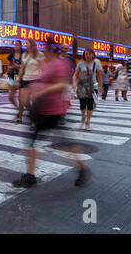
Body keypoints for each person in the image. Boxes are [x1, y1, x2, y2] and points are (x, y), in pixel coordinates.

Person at [12, 40, 89, 188]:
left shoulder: (60, 64)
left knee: (36, 142)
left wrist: (41, 90)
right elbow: (43, 81)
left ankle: (31, 176)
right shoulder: (48, 64)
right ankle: (82, 168)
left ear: (51, 49)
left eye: (46, 48)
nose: (44, 51)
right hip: (44, 109)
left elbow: (61, 85)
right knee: (41, 142)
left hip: (51, 110)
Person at [17, 39, 45, 131]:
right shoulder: (24, 55)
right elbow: (22, 68)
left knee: (35, 101)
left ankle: (34, 122)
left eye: (27, 43)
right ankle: (33, 114)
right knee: (24, 101)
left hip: (36, 80)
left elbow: (44, 67)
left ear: (32, 45)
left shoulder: (39, 55)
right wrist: (18, 79)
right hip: (25, 80)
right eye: (25, 43)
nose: (26, 45)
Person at [73, 48, 103, 131]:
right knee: (82, 105)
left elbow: (100, 75)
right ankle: (83, 116)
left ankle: (88, 122)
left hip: (93, 87)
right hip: (82, 87)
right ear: (84, 55)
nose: (88, 55)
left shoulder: (96, 64)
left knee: (90, 105)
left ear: (93, 54)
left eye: (90, 53)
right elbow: (76, 75)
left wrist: (101, 87)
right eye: (86, 54)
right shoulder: (80, 64)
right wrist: (74, 84)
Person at [58, 43, 76, 125]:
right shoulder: (56, 58)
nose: (64, 49)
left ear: (68, 49)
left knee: (65, 100)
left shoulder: (71, 60)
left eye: (66, 48)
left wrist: (74, 83)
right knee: (57, 99)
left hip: (67, 82)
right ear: (60, 48)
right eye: (62, 48)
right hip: (57, 82)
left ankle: (63, 116)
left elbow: (75, 72)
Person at [7, 41, 23, 112]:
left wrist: (17, 66)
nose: (16, 46)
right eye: (15, 45)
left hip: (22, 77)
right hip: (13, 77)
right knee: (10, 97)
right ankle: (17, 108)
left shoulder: (24, 54)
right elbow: (9, 65)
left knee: (21, 98)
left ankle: (20, 112)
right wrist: (9, 68)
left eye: (17, 45)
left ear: (20, 45)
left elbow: (25, 66)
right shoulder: (11, 54)